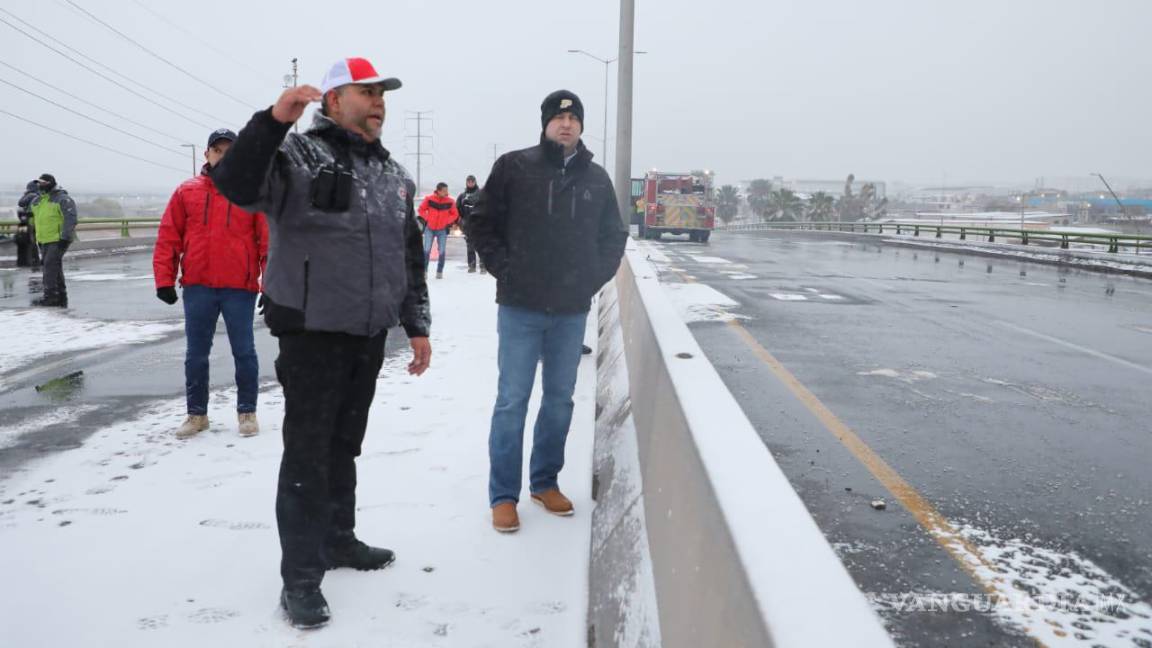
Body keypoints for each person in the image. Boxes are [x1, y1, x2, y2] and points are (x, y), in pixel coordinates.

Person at [211, 56, 431, 630]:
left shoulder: (393, 175)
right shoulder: (297, 156)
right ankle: (300, 577)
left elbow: (408, 256)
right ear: (333, 100)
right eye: (367, 92)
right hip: (311, 332)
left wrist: (418, 326)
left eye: (384, 93)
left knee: (344, 446)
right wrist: (272, 120)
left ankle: (339, 540)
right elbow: (233, 183)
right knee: (308, 455)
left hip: (368, 334)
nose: (379, 101)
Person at [467, 90, 628, 533]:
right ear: (544, 123)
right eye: (559, 117)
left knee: (559, 401)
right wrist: (504, 270)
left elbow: (613, 235)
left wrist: (590, 279)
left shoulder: (596, 179)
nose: (567, 123)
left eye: (575, 117)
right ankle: (503, 495)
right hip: (520, 307)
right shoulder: (514, 167)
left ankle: (545, 481)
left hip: (570, 311)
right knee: (512, 401)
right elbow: (480, 221)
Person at [153, 128, 270, 440]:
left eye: (229, 151)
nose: (223, 155)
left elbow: (268, 244)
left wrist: (270, 285)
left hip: (239, 288)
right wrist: (164, 279)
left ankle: (247, 412)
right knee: (196, 354)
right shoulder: (186, 192)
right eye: (217, 150)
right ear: (207, 154)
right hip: (198, 287)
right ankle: (197, 414)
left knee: (244, 352)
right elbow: (169, 237)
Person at [25, 174, 76, 307]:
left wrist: (64, 238)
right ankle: (60, 293)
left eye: (43, 183)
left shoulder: (63, 199)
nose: (40, 185)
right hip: (43, 239)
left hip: (58, 239)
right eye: (39, 183)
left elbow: (71, 220)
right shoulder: (38, 201)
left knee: (49, 266)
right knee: (54, 266)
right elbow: (30, 214)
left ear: (50, 183)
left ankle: (50, 297)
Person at [417, 182, 458, 279]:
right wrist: (427, 218)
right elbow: (421, 209)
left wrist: (446, 221)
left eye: (447, 190)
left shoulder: (450, 201)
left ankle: (439, 272)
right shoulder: (429, 199)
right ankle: (424, 271)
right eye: (444, 190)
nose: (446, 192)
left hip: (442, 230)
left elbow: (455, 214)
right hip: (429, 229)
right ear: (438, 191)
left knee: (442, 251)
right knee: (426, 250)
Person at [456, 175, 483, 273]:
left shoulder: (481, 194)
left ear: (475, 182)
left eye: (472, 181)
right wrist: (459, 222)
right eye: (469, 181)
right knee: (470, 246)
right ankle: (472, 266)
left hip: (480, 224)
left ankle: (483, 266)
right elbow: (457, 210)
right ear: (466, 183)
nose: (471, 183)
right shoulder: (462, 196)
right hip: (467, 224)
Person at [14, 181, 41, 269]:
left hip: (26, 223)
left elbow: (20, 204)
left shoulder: (30, 195)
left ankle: (29, 261)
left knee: (27, 242)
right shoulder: (41, 196)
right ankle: (37, 261)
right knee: (37, 242)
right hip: (38, 222)